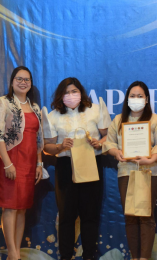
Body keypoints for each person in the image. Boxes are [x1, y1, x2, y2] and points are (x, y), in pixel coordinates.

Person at [103, 81, 157, 260]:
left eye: (140, 96)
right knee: (130, 217)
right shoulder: (118, 120)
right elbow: (109, 143)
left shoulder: (155, 120)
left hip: (149, 173)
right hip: (126, 173)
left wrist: (150, 159)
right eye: (132, 96)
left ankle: (144, 257)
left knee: (146, 217)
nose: (136, 99)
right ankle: (135, 257)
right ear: (127, 99)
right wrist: (116, 152)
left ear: (147, 99)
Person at [42, 77, 111, 260]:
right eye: (67, 92)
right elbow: (47, 147)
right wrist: (60, 146)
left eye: (74, 91)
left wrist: (99, 143)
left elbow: (109, 136)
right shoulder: (53, 116)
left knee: (90, 214)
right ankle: (66, 256)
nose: (71, 96)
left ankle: (89, 256)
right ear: (60, 96)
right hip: (65, 166)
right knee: (66, 216)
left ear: (81, 93)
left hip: (91, 163)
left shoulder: (94, 110)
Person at [0, 66, 44, 260]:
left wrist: (39, 163)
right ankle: (12, 253)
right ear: (12, 82)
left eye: (27, 79)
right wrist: (7, 163)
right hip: (9, 160)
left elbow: (39, 139)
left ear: (31, 83)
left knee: (22, 208)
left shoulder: (36, 107)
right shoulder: (2, 103)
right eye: (19, 79)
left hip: (29, 162)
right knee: (10, 207)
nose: (23, 82)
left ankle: (17, 250)